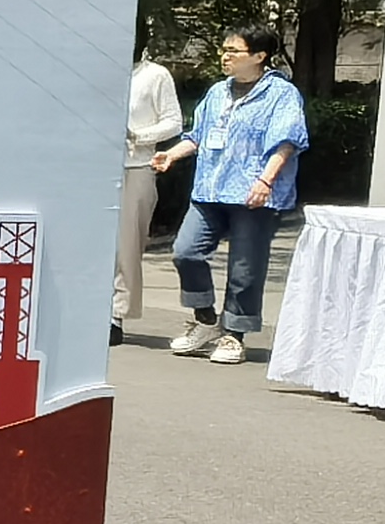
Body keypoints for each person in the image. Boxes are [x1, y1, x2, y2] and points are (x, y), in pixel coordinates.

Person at [156, 28, 308, 364]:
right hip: (210, 190)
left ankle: (234, 335)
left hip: (254, 193)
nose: (225, 56)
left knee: (245, 267)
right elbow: (197, 135)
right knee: (186, 252)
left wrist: (266, 181)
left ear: (259, 56)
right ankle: (206, 320)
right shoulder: (217, 92)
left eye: (233, 51)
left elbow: (287, 141)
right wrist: (171, 155)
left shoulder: (281, 94)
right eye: (223, 49)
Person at [116, 49, 181, 339]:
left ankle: (116, 315)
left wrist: (138, 136)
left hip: (136, 165)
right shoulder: (98, 68)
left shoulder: (154, 75)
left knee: (127, 243)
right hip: (94, 167)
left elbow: (173, 122)